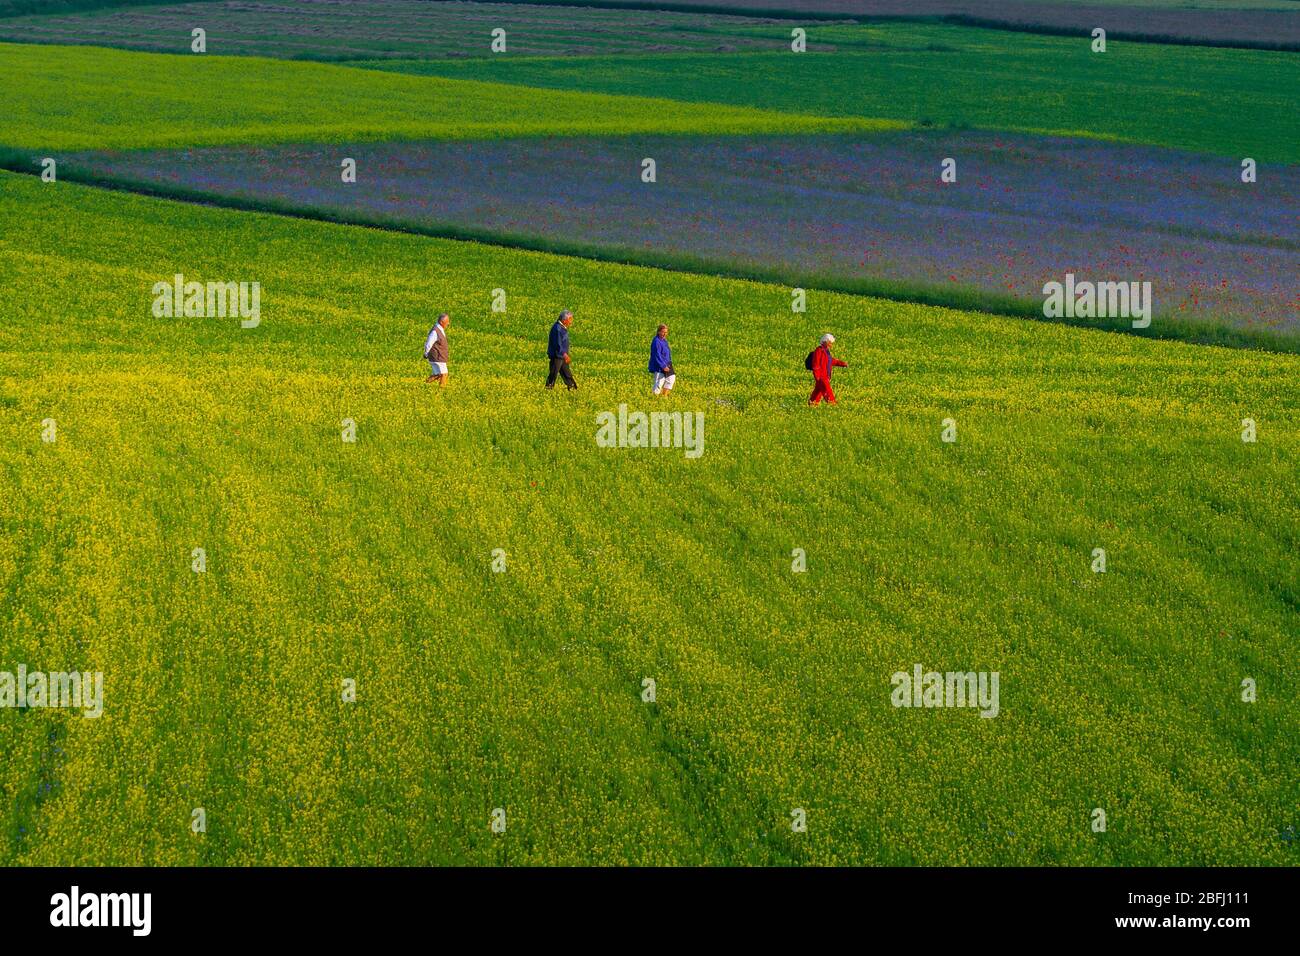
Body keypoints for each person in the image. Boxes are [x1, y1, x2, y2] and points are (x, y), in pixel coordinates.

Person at [809, 333, 847, 405]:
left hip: (826, 374)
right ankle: (832, 403)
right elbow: (815, 364)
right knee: (827, 389)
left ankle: (812, 402)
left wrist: (842, 363)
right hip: (821, 375)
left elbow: (830, 361)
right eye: (830, 343)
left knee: (818, 390)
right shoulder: (819, 351)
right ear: (825, 342)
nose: (831, 345)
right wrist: (817, 376)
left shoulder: (826, 351)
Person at [546, 309, 577, 390]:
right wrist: (565, 354)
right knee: (553, 374)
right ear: (564, 320)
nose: (571, 322)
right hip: (557, 356)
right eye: (570, 319)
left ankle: (573, 388)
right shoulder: (557, 328)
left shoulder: (561, 327)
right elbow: (558, 344)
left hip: (561, 356)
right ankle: (548, 389)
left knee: (567, 373)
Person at [424, 312, 450, 386]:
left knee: (437, 374)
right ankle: (442, 391)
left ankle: (425, 384)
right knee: (444, 374)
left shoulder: (439, 329)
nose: (448, 324)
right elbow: (428, 343)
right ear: (441, 322)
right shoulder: (435, 331)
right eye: (447, 322)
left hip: (439, 356)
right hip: (437, 356)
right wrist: (426, 353)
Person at [649, 324, 675, 396]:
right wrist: (663, 366)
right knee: (658, 383)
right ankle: (654, 398)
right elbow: (657, 355)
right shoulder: (656, 341)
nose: (664, 334)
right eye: (663, 332)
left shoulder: (664, 340)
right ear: (658, 332)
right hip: (659, 366)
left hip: (667, 363)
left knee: (671, 378)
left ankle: (664, 395)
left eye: (666, 332)